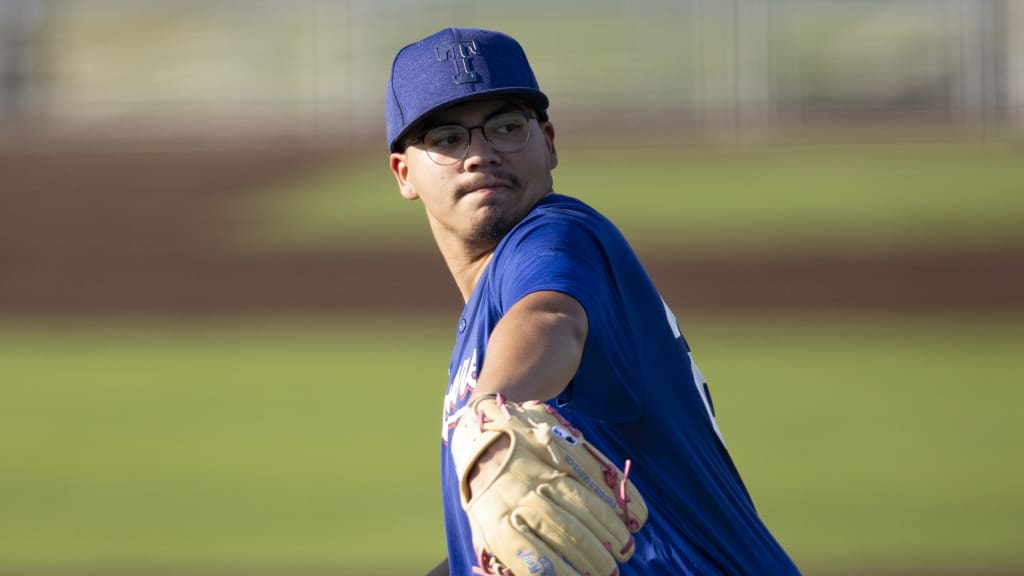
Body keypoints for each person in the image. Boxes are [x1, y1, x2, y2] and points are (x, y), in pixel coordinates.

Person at [386, 27, 801, 576]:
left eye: (507, 128)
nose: (480, 154)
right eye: (446, 139)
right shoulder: (487, 308)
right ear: (404, 173)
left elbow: (551, 318)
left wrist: (488, 413)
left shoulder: (556, 236)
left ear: (550, 141)